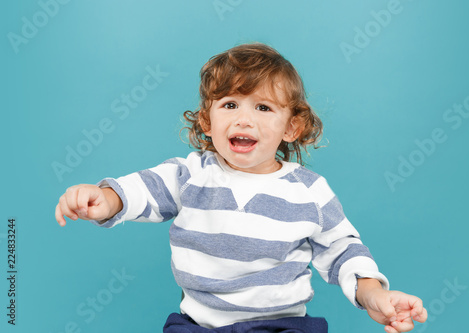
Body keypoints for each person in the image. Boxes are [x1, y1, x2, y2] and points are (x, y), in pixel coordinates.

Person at [55, 43, 427, 333]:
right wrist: (104, 199)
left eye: (264, 108)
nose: (244, 118)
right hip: (198, 325)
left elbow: (344, 250)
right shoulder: (190, 175)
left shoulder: (309, 192)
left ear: (291, 128)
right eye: (230, 104)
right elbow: (141, 191)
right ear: (206, 121)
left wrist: (374, 293)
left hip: (283, 325)